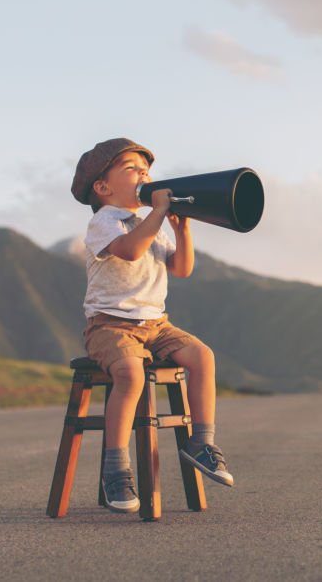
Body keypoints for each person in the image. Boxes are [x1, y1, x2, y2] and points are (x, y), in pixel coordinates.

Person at [71, 137, 234, 514]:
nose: (144, 176)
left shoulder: (151, 225)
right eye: (132, 169)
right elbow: (129, 250)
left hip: (156, 324)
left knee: (202, 357)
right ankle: (116, 469)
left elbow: (181, 269)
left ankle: (201, 444)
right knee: (130, 374)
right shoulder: (104, 221)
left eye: (146, 170)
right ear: (103, 187)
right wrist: (158, 214)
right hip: (110, 326)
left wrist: (182, 229)